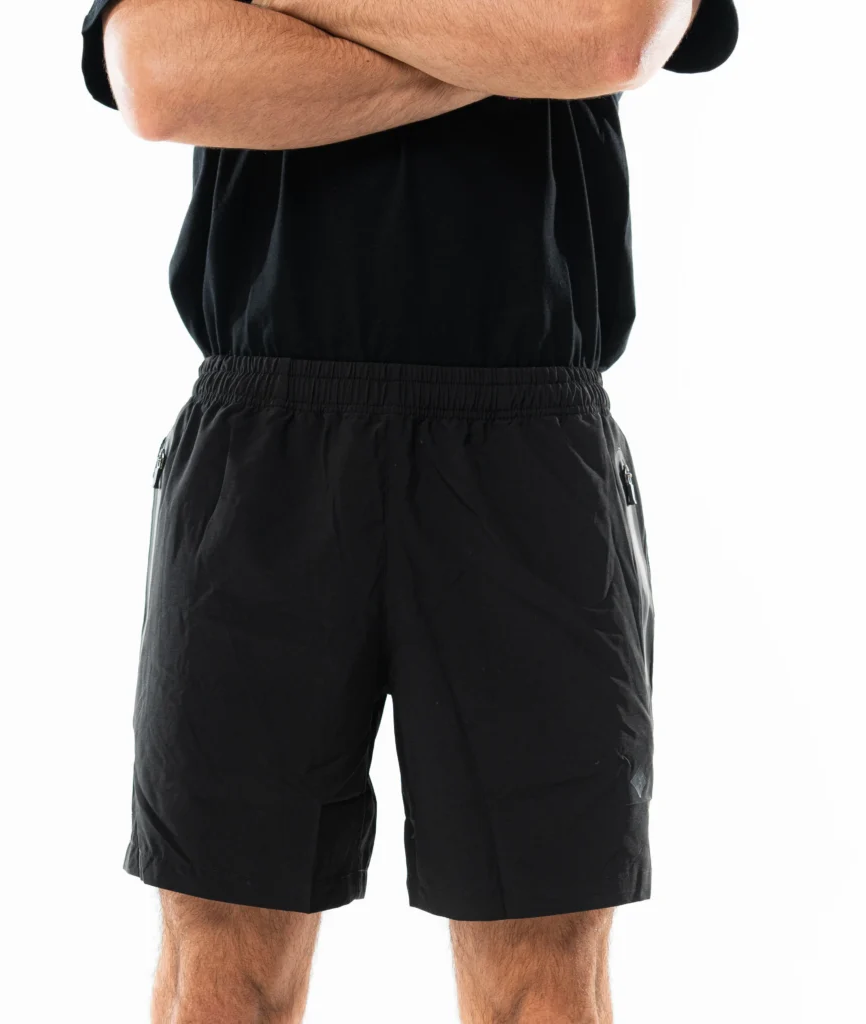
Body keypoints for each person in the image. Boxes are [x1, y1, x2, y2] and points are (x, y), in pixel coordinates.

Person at [80, 0, 738, 1019]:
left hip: (524, 436)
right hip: (267, 434)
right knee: (222, 969)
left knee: (543, 978)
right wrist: (512, 45)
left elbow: (605, 34)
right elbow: (160, 79)